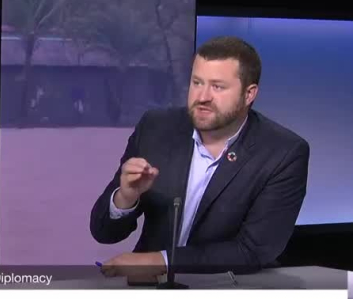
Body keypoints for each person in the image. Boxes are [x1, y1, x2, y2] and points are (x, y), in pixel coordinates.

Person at [90, 36, 309, 278]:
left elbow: (253, 251)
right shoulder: (156, 128)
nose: (202, 96)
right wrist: (126, 198)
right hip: (150, 287)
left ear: (249, 94)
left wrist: (160, 261)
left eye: (217, 87)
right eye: (197, 82)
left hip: (224, 289)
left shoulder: (283, 153)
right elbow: (104, 232)